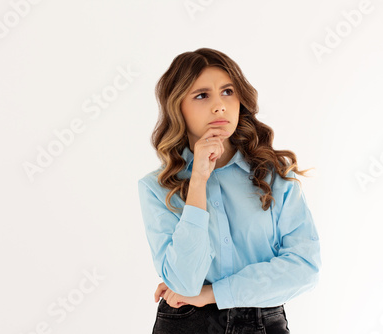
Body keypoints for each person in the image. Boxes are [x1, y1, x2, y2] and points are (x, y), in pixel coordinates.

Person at [138, 47, 322, 334]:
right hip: (187, 323)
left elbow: (304, 268)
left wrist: (213, 294)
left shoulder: (275, 177)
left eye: (228, 92)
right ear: (178, 108)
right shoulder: (156, 188)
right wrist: (198, 181)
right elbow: (185, 283)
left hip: (263, 322)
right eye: (202, 95)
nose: (219, 106)